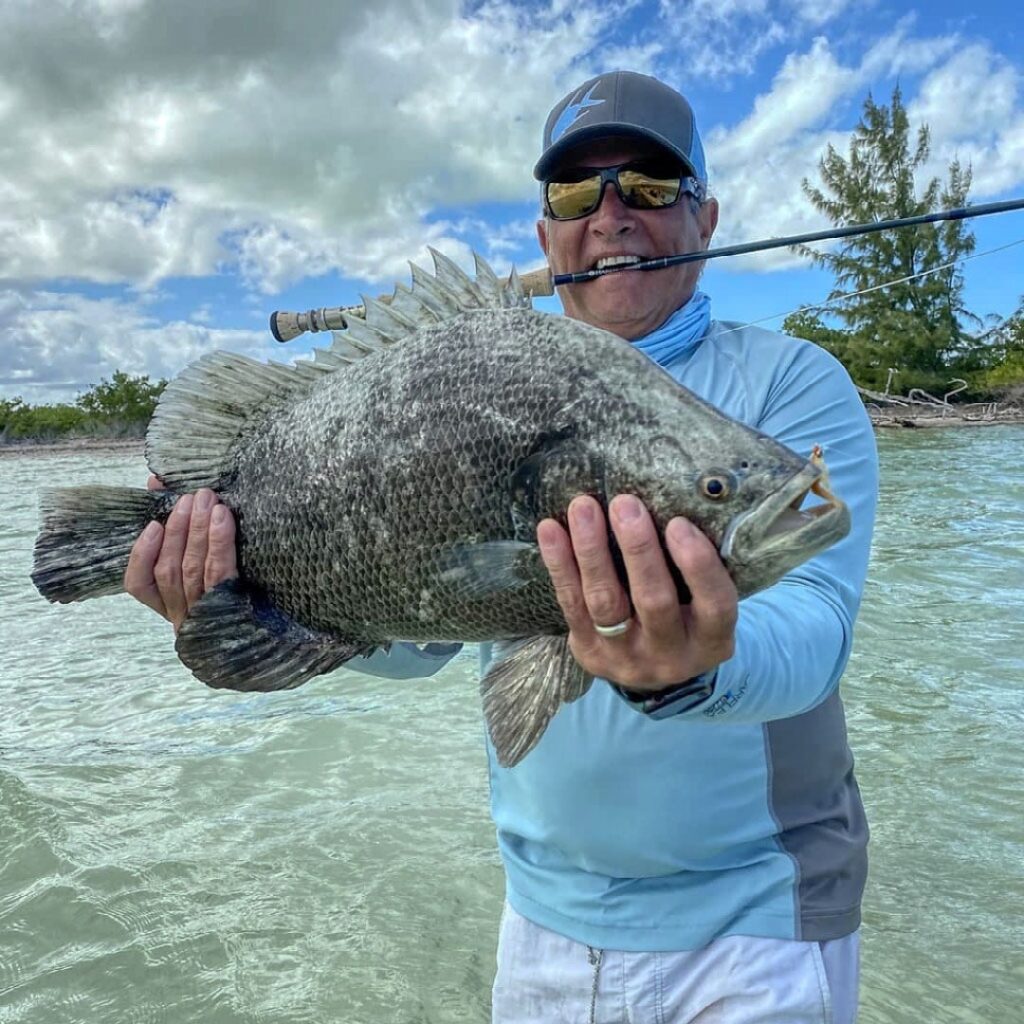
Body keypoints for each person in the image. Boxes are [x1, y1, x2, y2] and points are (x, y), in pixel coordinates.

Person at [125, 70, 878, 1024]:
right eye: (577, 193)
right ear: (544, 232)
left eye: (650, 186)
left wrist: (684, 668)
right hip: (544, 928)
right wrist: (236, 589)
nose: (612, 215)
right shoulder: (508, 379)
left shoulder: (794, 381)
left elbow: (817, 630)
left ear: (707, 215)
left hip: (761, 924)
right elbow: (415, 642)